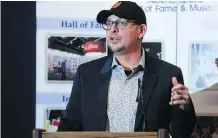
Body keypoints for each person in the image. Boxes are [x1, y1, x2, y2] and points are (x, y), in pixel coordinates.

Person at [57, 1, 196, 138]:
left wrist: (184, 108)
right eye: (109, 23)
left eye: (121, 23)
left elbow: (181, 133)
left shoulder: (168, 75)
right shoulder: (86, 74)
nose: (113, 29)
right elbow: (71, 124)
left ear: (141, 30)